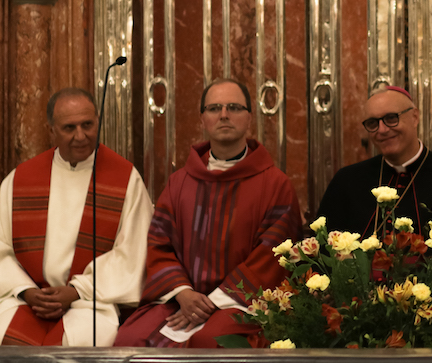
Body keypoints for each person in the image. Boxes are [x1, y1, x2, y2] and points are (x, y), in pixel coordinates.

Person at [115, 78, 302, 348]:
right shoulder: (180, 182)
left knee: (210, 341)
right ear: (202, 118)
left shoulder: (275, 184)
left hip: (244, 302)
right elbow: (159, 243)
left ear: (250, 117)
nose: (224, 115)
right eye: (214, 108)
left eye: (234, 107)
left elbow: (272, 256)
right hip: (182, 299)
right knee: (130, 339)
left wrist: (213, 301)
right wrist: (183, 292)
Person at [0, 87, 153, 346]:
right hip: (28, 298)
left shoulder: (125, 180)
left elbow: (131, 253)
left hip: (91, 302)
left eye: (87, 125)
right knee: (1, 342)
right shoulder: (21, 180)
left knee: (77, 346)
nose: (81, 136)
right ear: (51, 130)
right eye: (69, 128)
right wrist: (26, 291)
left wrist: (76, 291)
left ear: (98, 121)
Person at [316, 85, 432, 260]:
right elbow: (324, 254)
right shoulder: (347, 181)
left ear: (415, 117)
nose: (382, 130)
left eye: (391, 118)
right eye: (373, 123)